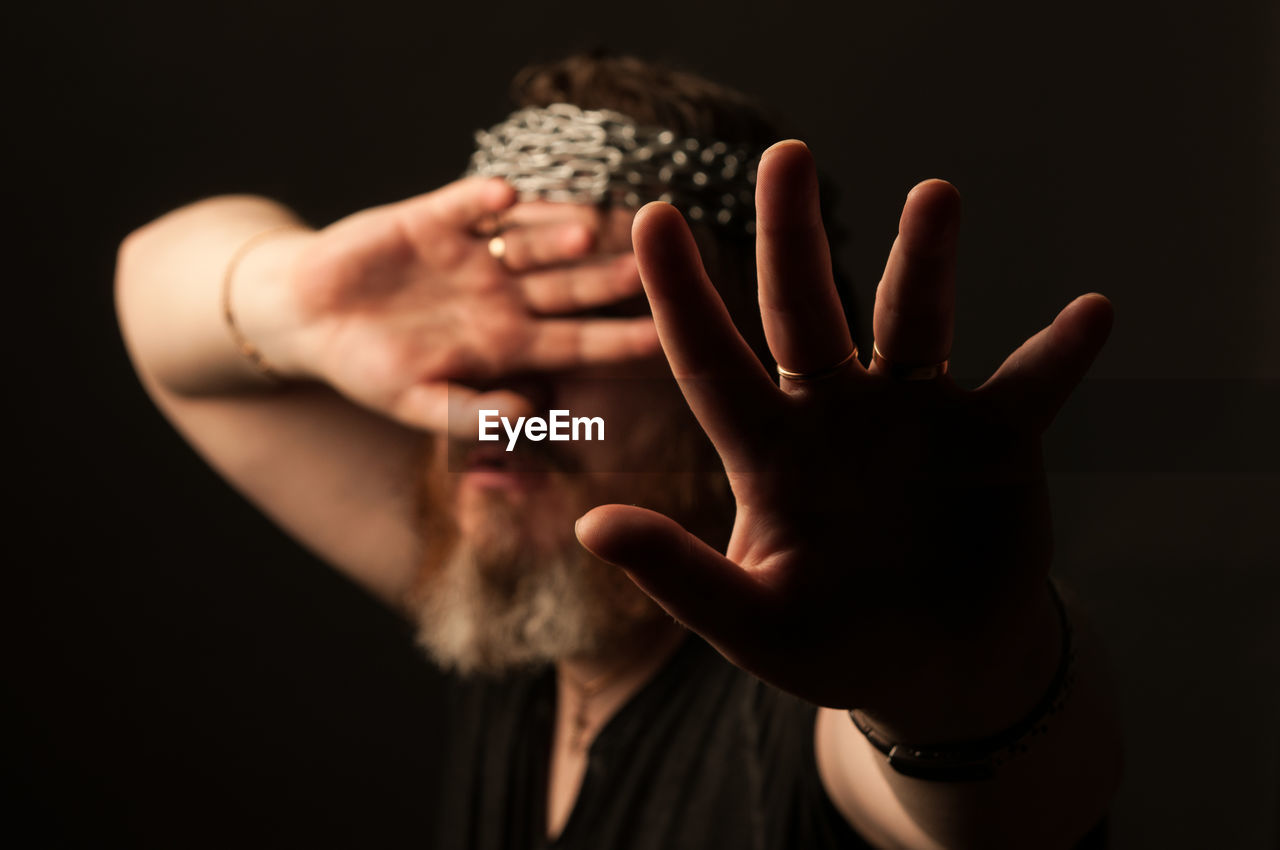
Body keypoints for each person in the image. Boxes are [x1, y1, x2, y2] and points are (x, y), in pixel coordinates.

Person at [115, 54, 1122, 848]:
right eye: (473, 316)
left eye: (576, 318)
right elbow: (154, 299)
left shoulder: (810, 694)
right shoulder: (521, 586)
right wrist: (295, 299)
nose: (499, 386)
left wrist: (951, 676)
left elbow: (1002, 807)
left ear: (737, 374)